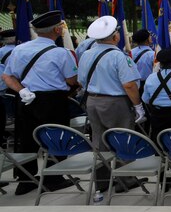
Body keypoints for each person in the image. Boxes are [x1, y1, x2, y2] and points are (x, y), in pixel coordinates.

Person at [1, 11, 78, 194]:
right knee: (57, 137)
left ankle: (25, 180)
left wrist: (22, 90)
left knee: (25, 139)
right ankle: (54, 178)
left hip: (26, 98)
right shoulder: (61, 53)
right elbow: (72, 80)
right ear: (58, 29)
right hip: (53, 100)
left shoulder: (19, 49)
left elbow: (7, 76)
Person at [77, 15, 145, 144]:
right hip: (115, 103)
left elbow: (80, 81)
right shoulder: (119, 56)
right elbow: (129, 85)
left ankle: (102, 163)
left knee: (99, 138)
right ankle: (124, 164)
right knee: (122, 139)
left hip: (92, 100)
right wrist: (138, 106)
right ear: (115, 37)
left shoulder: (86, 54)